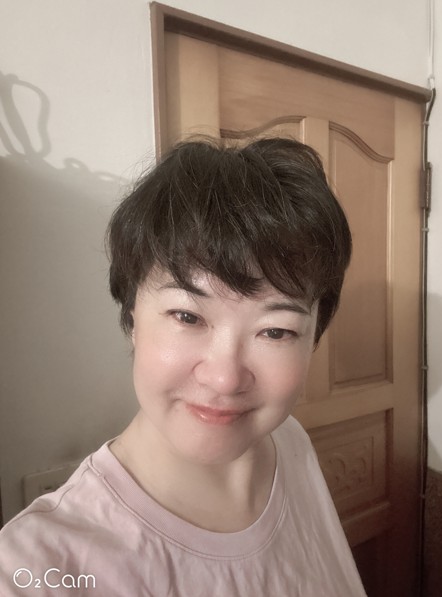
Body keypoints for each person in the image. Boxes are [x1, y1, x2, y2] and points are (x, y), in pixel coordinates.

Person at [0, 137, 366, 596]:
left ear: (314, 337)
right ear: (132, 316)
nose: (225, 378)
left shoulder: (290, 442)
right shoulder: (35, 566)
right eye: (188, 317)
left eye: (275, 331)